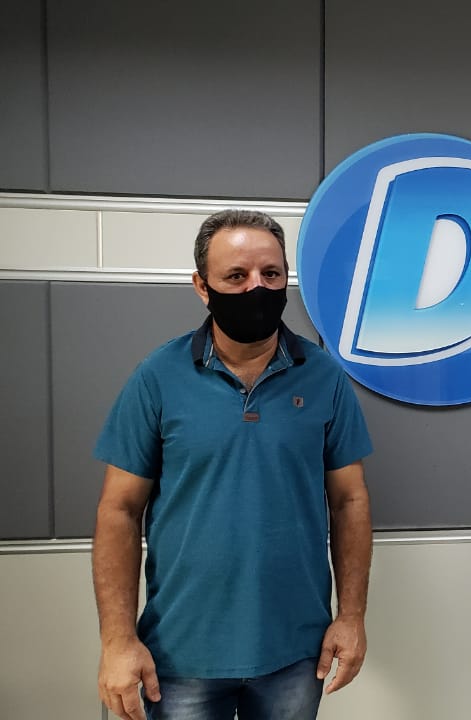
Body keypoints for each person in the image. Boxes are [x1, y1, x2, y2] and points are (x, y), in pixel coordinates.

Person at [92, 210, 373, 720]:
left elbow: (349, 501)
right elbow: (119, 511)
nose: (256, 288)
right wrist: (117, 641)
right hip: (180, 655)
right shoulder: (157, 377)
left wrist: (351, 617)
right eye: (236, 276)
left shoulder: (325, 378)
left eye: (271, 273)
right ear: (202, 286)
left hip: (295, 653)